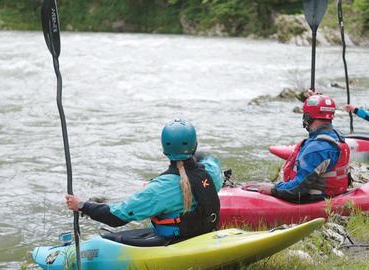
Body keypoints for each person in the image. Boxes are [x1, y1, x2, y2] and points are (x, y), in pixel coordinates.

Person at [65, 119, 222, 241]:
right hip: (205, 231)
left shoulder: (159, 189)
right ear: (194, 145)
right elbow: (209, 160)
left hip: (177, 238)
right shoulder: (212, 172)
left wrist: (81, 205)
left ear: (164, 150)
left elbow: (117, 216)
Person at [258, 94, 350, 203]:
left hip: (314, 199)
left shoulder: (317, 149)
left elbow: (297, 189)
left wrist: (273, 188)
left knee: (265, 187)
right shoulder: (336, 137)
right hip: (334, 194)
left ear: (308, 117)